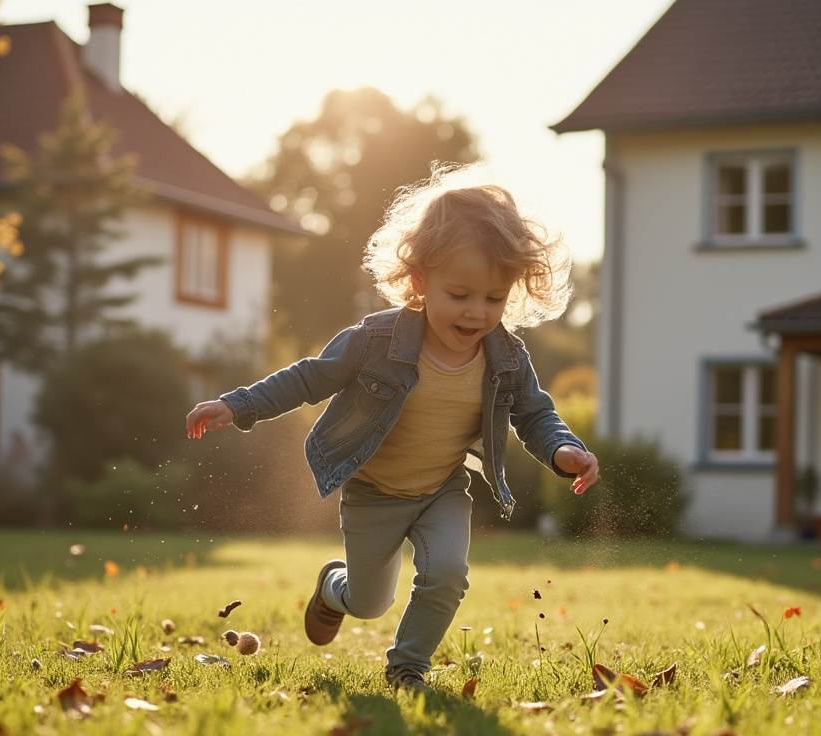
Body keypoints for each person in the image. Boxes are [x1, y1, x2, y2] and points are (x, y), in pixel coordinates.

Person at [185, 162, 599, 694]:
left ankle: (408, 667)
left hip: (442, 489)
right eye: (460, 294)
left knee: (447, 574)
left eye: (494, 299)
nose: (476, 313)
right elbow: (310, 378)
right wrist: (238, 405)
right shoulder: (376, 342)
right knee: (369, 600)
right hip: (373, 492)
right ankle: (333, 590)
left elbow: (536, 414)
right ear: (421, 280)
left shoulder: (509, 360)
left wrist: (565, 450)